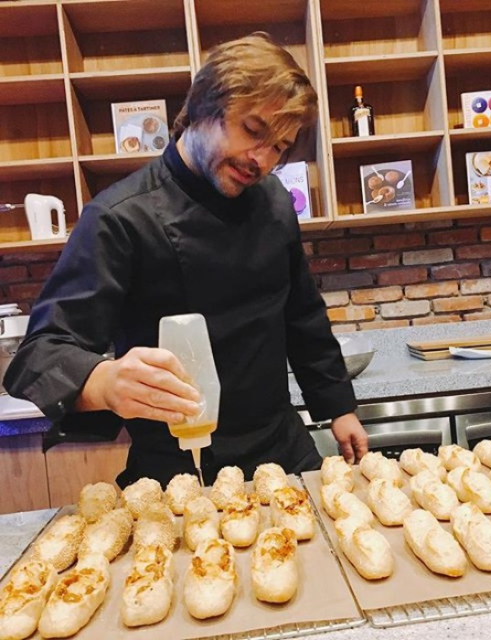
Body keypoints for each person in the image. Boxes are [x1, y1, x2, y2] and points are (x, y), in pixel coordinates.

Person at [4, 32, 368, 488]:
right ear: (200, 108)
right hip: (180, 470)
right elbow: (40, 354)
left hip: (284, 450)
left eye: (279, 146)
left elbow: (302, 314)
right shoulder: (119, 217)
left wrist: (338, 407)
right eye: (253, 130)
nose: (261, 159)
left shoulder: (273, 199)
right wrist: (105, 380)